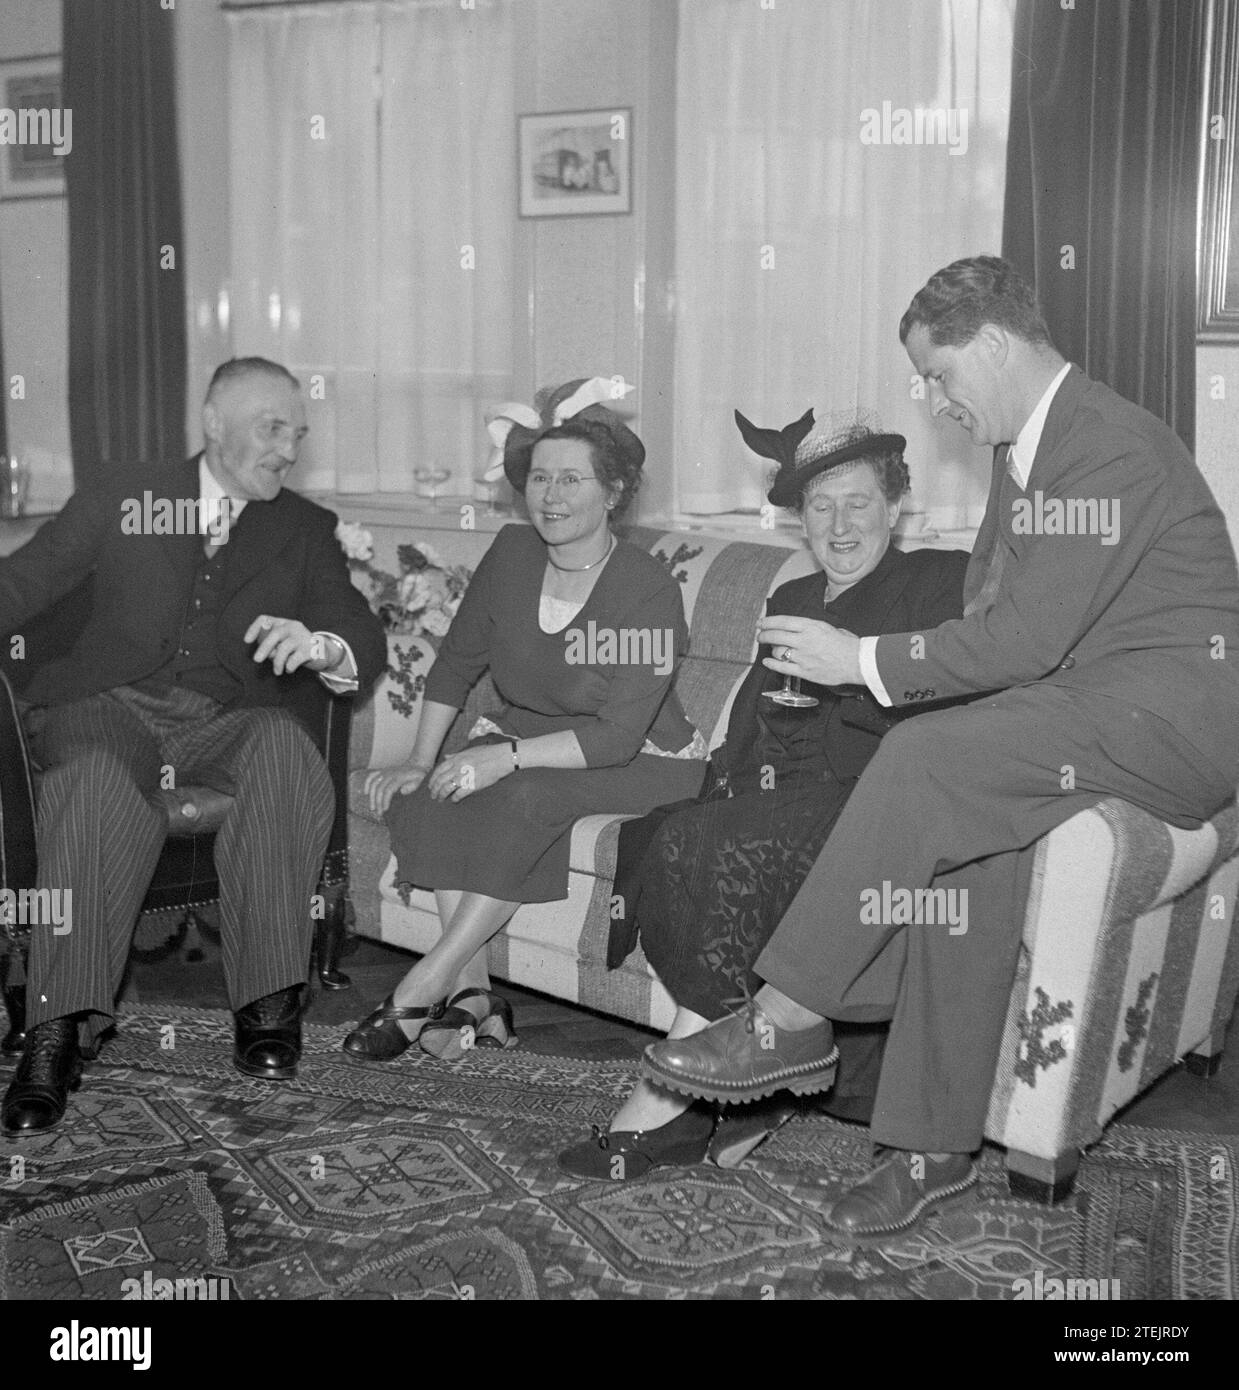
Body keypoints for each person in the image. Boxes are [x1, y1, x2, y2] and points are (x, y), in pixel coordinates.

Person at [642, 255, 1239, 1236]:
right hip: (1088, 703)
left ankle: (786, 1017)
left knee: (922, 758)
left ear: (995, 345)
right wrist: (913, 678)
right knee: (965, 846)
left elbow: (1025, 640)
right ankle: (932, 1146)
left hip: (1175, 715)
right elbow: (987, 616)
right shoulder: (1026, 453)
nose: (931, 398)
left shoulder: (1109, 448)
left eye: (939, 374)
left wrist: (860, 658)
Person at [557, 412, 969, 1179]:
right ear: (799, 519)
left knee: (710, 842)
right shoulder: (794, 598)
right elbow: (749, 728)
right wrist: (717, 784)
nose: (838, 523)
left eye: (857, 503)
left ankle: (672, 1104)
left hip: (881, 803)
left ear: (896, 508)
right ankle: (734, 1081)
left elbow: (955, 702)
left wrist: (856, 665)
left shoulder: (938, 581)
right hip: (779, 802)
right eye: (819, 506)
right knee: (678, 833)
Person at [0, 357, 388, 1135]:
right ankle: (56, 1031)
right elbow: (26, 581)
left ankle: (267, 1000)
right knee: (93, 783)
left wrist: (319, 643)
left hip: (222, 715)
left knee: (286, 754)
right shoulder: (126, 494)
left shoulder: (303, 528)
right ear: (213, 421)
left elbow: (357, 632)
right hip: (106, 705)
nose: (286, 448)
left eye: (297, 434)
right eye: (270, 427)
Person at [344, 378, 708, 1062]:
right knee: (435, 794)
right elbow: (454, 665)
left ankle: (423, 985)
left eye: (572, 479)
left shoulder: (647, 590)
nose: (551, 495)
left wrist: (501, 758)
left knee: (518, 795)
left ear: (614, 493)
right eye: (540, 477)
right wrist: (423, 760)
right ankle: (477, 1000)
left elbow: (616, 737)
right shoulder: (511, 555)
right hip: (529, 736)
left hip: (645, 761)